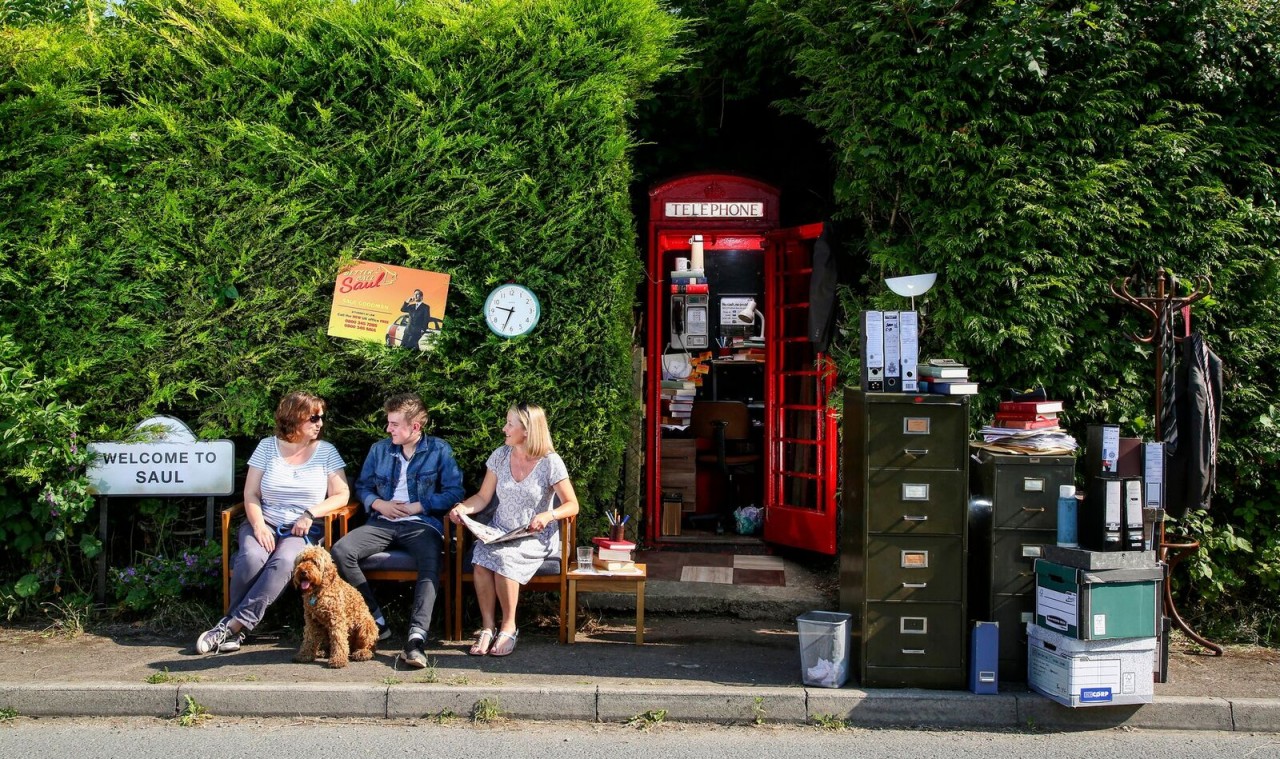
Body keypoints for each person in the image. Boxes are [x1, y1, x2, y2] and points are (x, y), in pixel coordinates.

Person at [197, 392, 349, 655]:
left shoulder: (326, 451)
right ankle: (237, 630)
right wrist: (258, 525)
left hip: (303, 529)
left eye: (321, 418)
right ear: (294, 418)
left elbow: (342, 494)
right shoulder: (267, 447)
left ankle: (231, 626)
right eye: (314, 418)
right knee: (251, 557)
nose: (320, 424)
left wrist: (310, 513)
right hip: (264, 521)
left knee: (286, 561)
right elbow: (250, 494)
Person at [331, 393, 465, 668]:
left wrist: (420, 505)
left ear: (415, 426)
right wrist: (379, 503)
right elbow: (363, 487)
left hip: (421, 524)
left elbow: (455, 492)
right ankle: (376, 621)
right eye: (389, 423)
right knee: (341, 551)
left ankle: (416, 638)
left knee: (431, 559)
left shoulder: (439, 450)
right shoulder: (379, 450)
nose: (388, 429)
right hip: (382, 522)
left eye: (394, 424)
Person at [447, 402, 579, 657]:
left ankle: (509, 627)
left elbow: (572, 505)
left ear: (528, 430)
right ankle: (488, 627)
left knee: (504, 558)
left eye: (510, 424)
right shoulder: (500, 455)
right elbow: (483, 497)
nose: (504, 428)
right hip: (500, 531)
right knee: (481, 558)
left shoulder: (550, 462)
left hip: (534, 535)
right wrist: (462, 508)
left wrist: (548, 515)